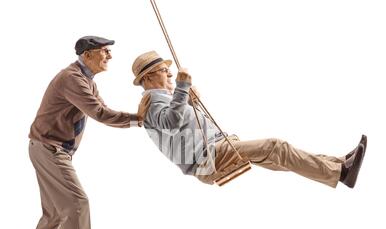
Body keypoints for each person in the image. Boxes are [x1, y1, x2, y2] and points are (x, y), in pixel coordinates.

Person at [132, 51, 366, 188]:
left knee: (279, 158)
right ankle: (341, 173)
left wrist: (190, 100)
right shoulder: (152, 103)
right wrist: (183, 87)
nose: (171, 74)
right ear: (150, 76)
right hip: (208, 158)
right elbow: (172, 123)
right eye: (165, 70)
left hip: (215, 149)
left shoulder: (165, 98)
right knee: (276, 146)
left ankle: (338, 164)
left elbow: (180, 124)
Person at [20, 36, 141, 229]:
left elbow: (102, 110)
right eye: (104, 51)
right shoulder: (72, 79)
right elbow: (101, 114)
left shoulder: (86, 80)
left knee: (56, 210)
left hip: (48, 148)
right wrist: (141, 120)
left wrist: (138, 119)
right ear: (87, 55)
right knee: (77, 202)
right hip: (50, 149)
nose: (109, 56)